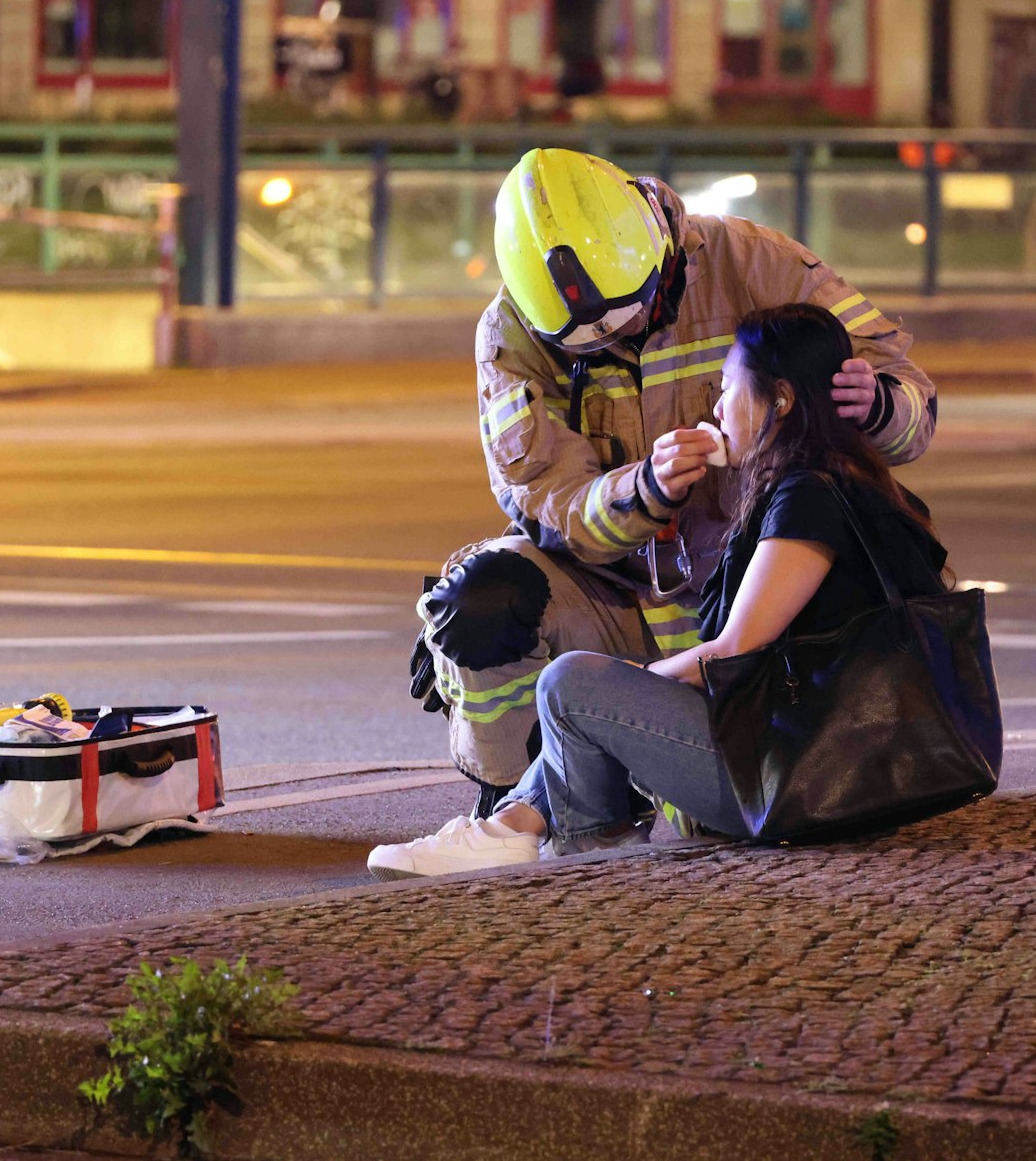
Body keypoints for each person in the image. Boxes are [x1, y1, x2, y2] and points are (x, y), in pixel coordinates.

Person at [408, 147, 937, 819]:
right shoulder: (511, 338)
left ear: (661, 244)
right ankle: (518, 801)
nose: (625, 341)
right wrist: (643, 491)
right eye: (591, 349)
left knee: (697, 790)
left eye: (645, 312)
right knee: (480, 598)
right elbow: (548, 502)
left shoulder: (752, 262)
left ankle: (564, 798)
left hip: (752, 600)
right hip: (616, 596)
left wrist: (879, 403)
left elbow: (908, 401)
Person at [371, 302, 949, 877]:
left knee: (572, 682)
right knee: (586, 689)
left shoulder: (809, 497)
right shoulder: (837, 482)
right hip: (819, 764)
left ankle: (564, 846)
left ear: (780, 399)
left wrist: (633, 682)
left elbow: (735, 650)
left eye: (727, 389)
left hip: (804, 779)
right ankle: (519, 830)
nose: (718, 409)